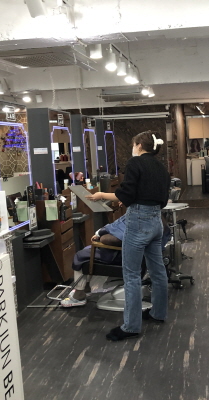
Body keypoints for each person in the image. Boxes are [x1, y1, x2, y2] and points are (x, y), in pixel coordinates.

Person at [88, 130, 170, 341]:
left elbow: (125, 194)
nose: (133, 148)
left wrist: (101, 195)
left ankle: (131, 326)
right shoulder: (161, 166)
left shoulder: (135, 163)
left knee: (132, 275)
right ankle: (158, 313)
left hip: (138, 221)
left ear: (139, 146)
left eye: (134, 145)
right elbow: (161, 197)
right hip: (156, 221)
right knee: (157, 271)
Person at [60, 214, 171, 308]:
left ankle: (79, 295)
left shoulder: (137, 216)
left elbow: (113, 238)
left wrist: (100, 235)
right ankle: (86, 287)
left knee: (81, 256)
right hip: (141, 258)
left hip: (123, 256)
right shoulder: (156, 217)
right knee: (88, 251)